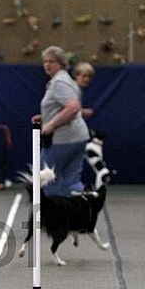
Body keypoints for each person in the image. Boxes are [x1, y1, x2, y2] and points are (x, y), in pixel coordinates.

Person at [33, 46, 90, 197]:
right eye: (45, 61)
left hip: (62, 139)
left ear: (61, 63)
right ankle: (79, 214)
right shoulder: (68, 80)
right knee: (71, 180)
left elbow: (73, 107)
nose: (47, 65)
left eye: (51, 61)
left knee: (47, 177)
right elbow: (64, 107)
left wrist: (50, 125)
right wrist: (45, 117)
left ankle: (53, 216)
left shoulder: (59, 82)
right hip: (79, 137)